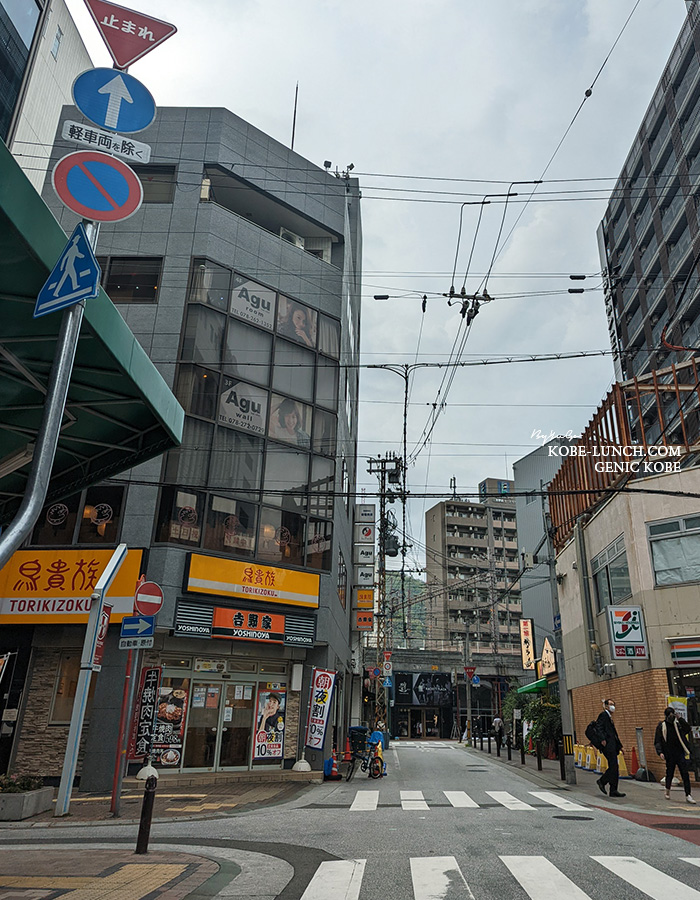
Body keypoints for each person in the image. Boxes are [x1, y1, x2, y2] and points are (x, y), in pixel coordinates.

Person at [655, 706, 696, 804]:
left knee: (685, 773)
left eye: (672, 714)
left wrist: (680, 719)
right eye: (669, 715)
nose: (671, 717)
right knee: (670, 773)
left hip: (680, 752)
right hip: (669, 754)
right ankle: (667, 789)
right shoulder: (662, 726)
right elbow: (658, 741)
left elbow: (687, 728)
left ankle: (688, 794)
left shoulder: (678, 725)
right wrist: (660, 752)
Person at [595, 698, 625, 798]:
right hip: (607, 745)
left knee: (615, 767)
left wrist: (620, 746)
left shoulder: (609, 717)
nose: (613, 707)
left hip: (612, 745)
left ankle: (613, 789)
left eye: (614, 704)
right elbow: (599, 727)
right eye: (611, 704)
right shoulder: (603, 715)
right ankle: (602, 781)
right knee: (613, 766)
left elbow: (614, 734)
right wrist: (602, 739)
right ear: (606, 706)